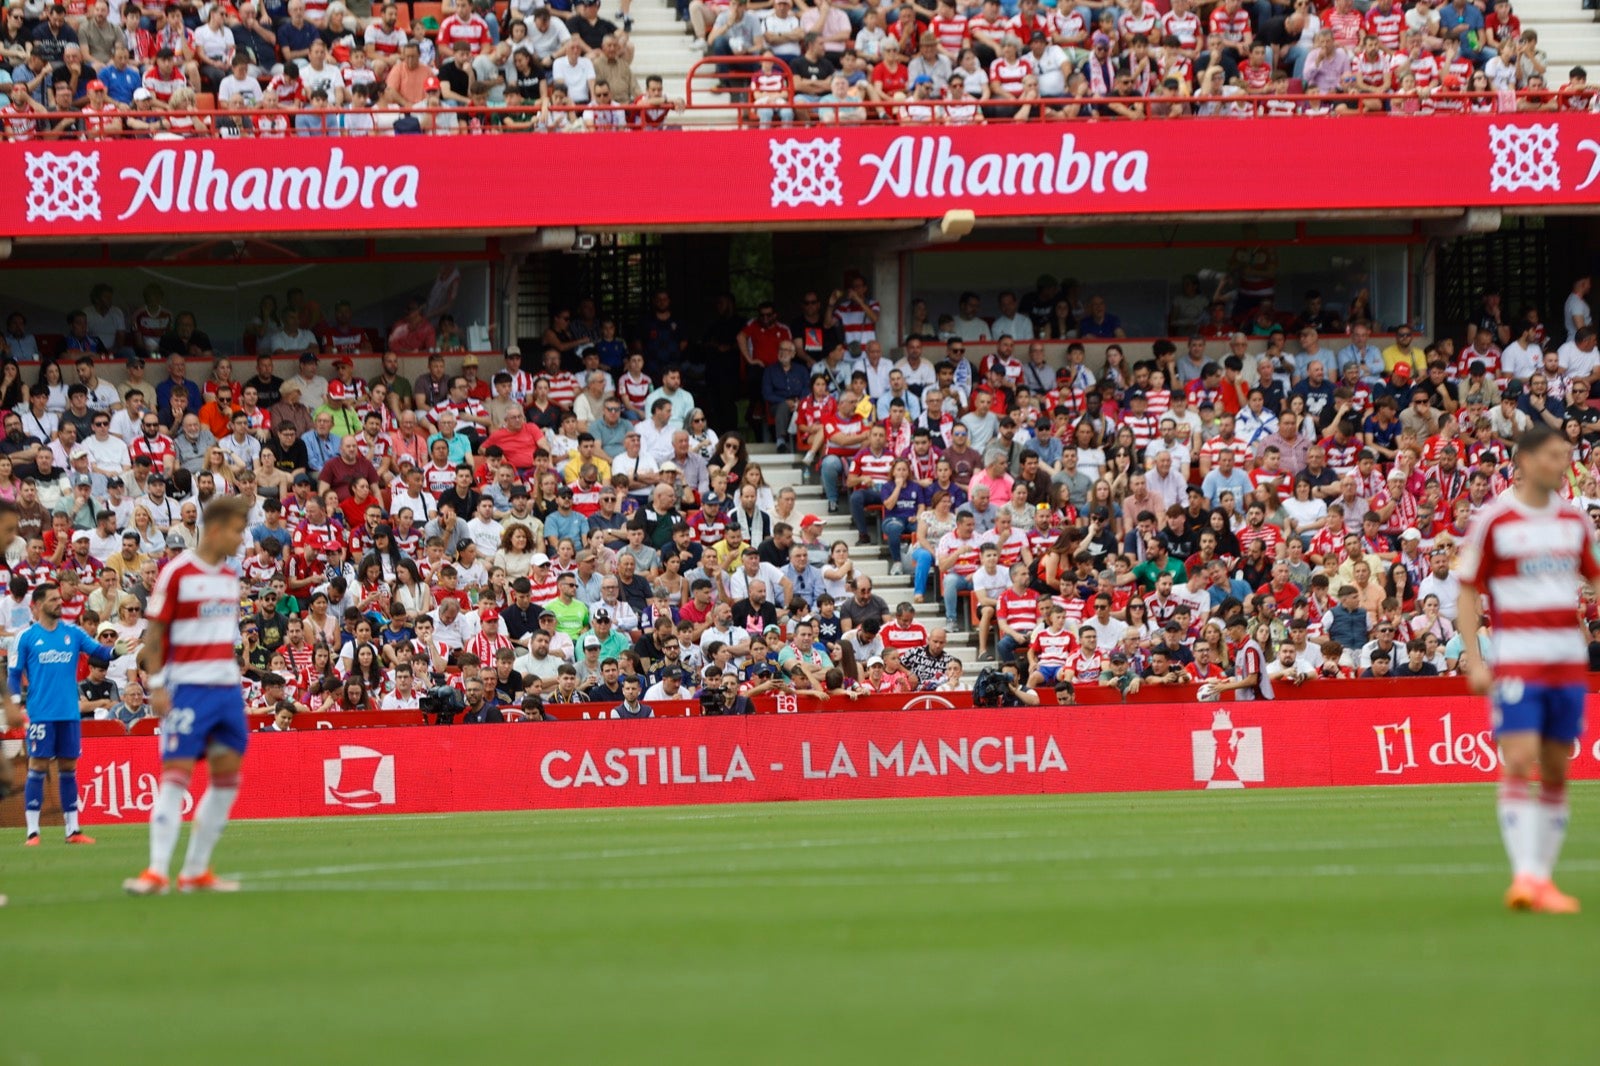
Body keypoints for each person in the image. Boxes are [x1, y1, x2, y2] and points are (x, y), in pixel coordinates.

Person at [1457, 424, 1599, 914]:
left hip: (1567, 661)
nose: (1564, 463)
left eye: (1567, 454)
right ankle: (1525, 878)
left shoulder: (1575, 522)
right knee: (1518, 757)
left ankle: (1541, 879)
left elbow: (1596, 576)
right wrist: (1475, 659)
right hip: (1518, 658)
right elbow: (1468, 588)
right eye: (1556, 455)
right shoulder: (1494, 521)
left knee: (1558, 767)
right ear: (1528, 461)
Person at [123, 495, 252, 896]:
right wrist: (158, 687)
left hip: (227, 689)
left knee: (227, 778)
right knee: (176, 777)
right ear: (214, 529)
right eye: (236, 529)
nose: (241, 538)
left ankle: (195, 870)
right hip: (188, 689)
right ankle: (157, 871)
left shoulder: (229, 577)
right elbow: (155, 636)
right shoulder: (176, 573)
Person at [7, 581, 113, 846]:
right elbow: (13, 674)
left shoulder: (73, 633)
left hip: (69, 713)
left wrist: (116, 651)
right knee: (38, 767)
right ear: (39, 605)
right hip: (41, 713)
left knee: (68, 768)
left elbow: (99, 652)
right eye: (53, 599)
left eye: (59, 598)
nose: (59, 603)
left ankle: (73, 830)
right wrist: (15, 703)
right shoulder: (25, 637)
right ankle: (33, 832)